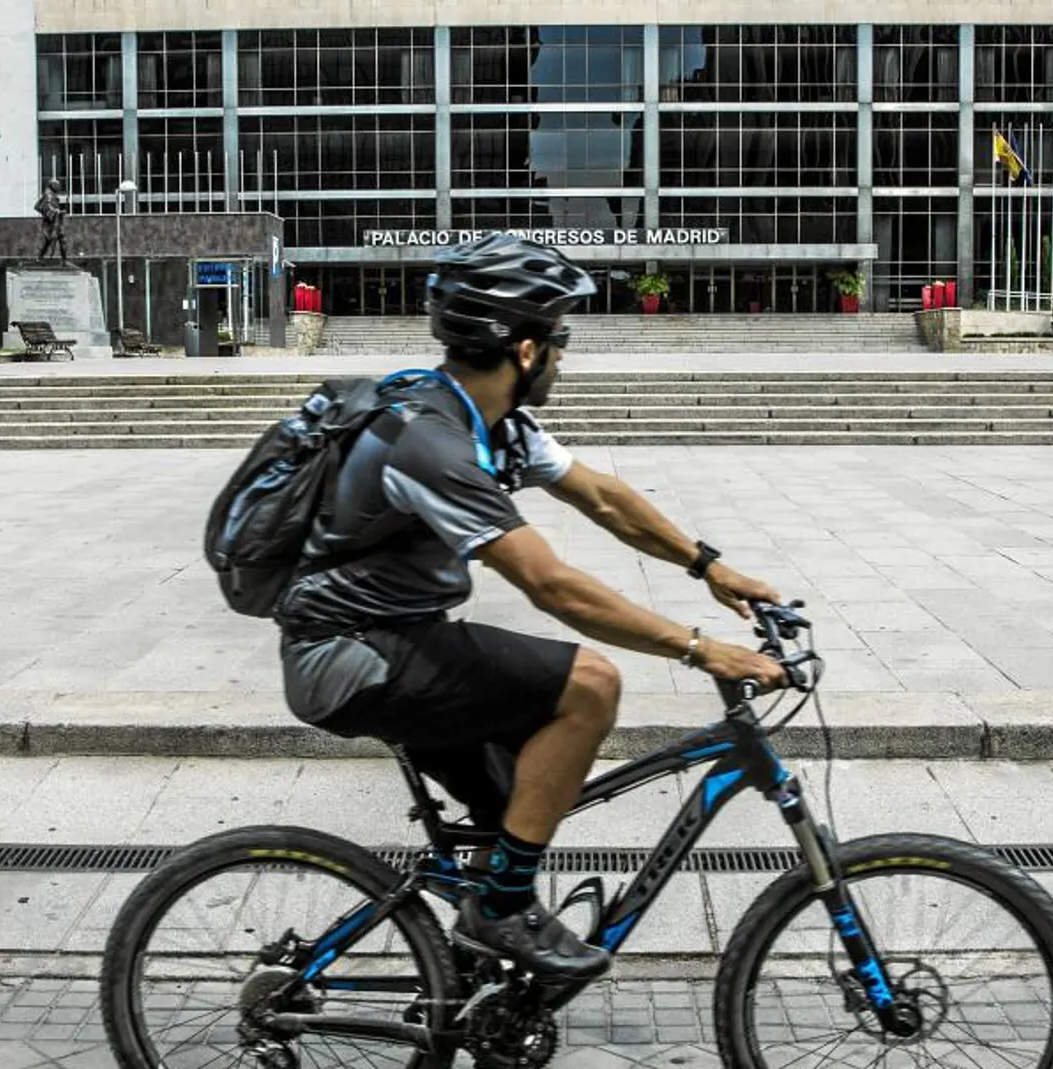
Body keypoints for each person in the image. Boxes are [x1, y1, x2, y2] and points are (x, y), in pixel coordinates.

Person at [275, 233, 788, 978]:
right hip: (348, 654)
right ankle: (501, 913)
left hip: (398, 641)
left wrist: (708, 564)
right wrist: (698, 646)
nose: (563, 355)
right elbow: (551, 585)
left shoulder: (496, 423)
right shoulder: (429, 440)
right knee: (591, 685)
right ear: (523, 349)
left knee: (522, 806)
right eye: (560, 339)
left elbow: (605, 499)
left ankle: (476, 988)